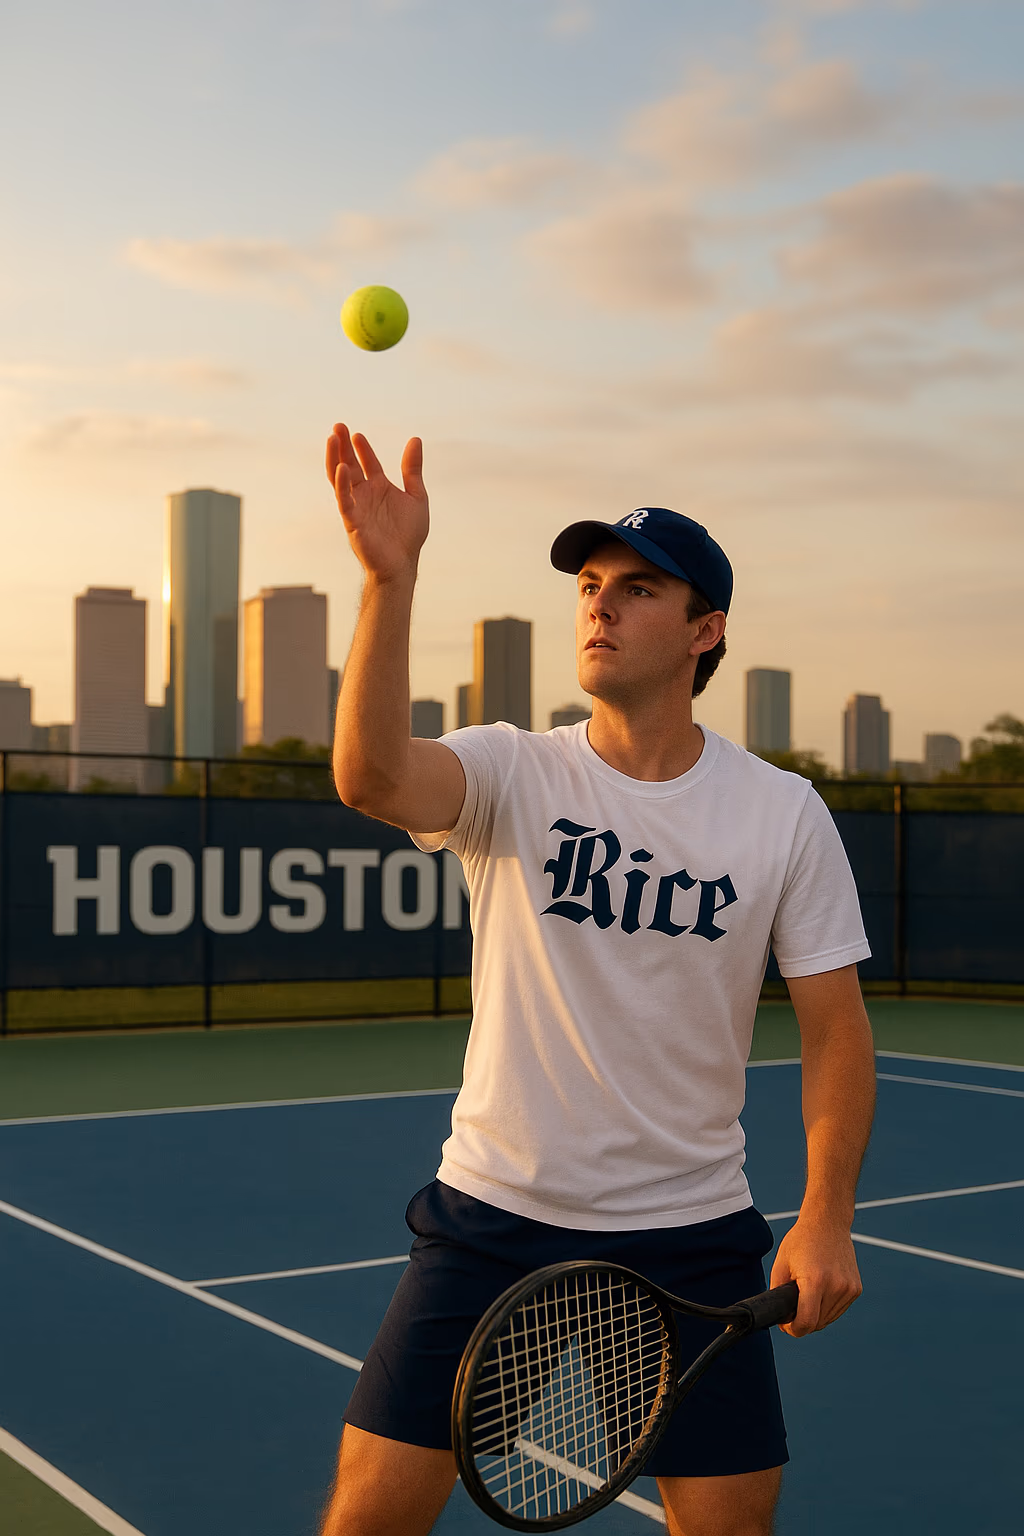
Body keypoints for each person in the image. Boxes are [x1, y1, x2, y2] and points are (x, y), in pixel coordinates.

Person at [319, 423, 876, 1536]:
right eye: (588, 584)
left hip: (694, 1235)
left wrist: (824, 1218)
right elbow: (371, 775)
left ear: (704, 630)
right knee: (367, 1521)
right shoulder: (511, 770)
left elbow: (834, 1031)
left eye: (635, 588)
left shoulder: (781, 813)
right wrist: (392, 580)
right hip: (493, 1216)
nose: (598, 605)